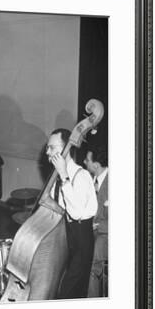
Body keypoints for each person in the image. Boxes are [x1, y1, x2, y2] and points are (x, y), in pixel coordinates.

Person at [46, 128, 98, 299]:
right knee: (64, 290)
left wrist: (63, 174)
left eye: (52, 148)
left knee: (69, 291)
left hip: (81, 239)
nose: (48, 152)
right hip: (65, 235)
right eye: (48, 147)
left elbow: (76, 213)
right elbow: (58, 206)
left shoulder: (81, 176)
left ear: (65, 149)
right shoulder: (56, 176)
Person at [83, 144, 108, 297]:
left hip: (106, 235)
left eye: (87, 160)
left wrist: (96, 225)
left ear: (96, 165)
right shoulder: (90, 178)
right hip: (94, 230)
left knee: (91, 265)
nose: (84, 162)